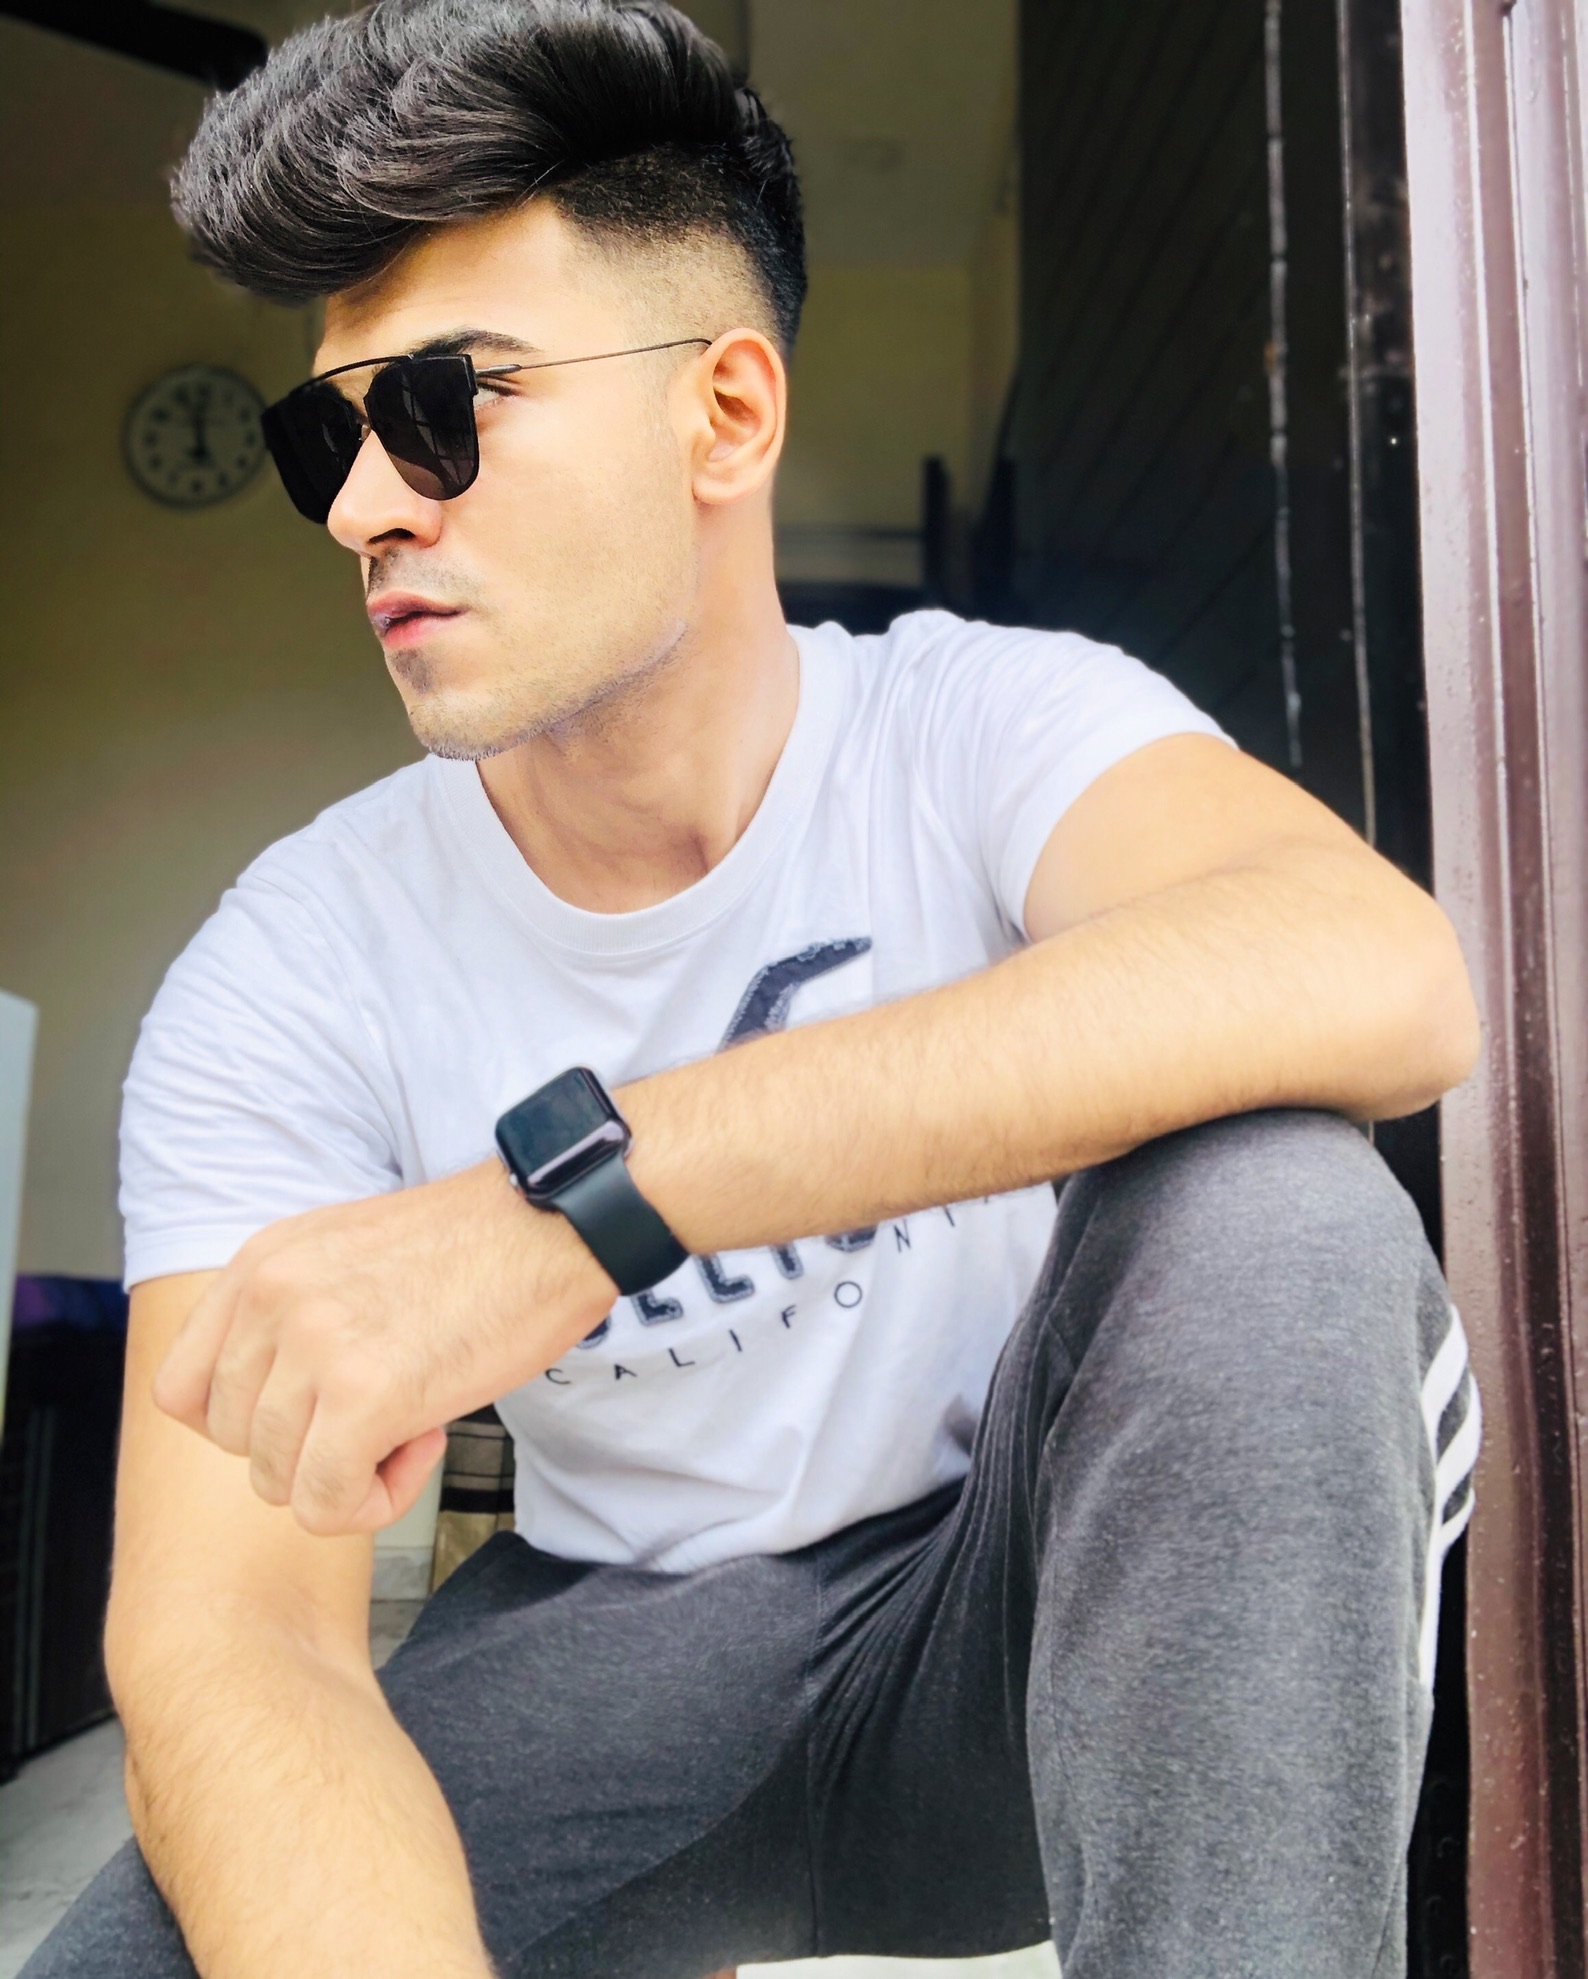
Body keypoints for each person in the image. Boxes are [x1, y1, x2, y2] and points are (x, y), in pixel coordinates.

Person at [28, 3, 1482, 1975]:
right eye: (327, 439)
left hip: (1028, 1609)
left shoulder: (983, 722)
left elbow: (1371, 965)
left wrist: (570, 1212)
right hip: (617, 1664)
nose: (367, 505)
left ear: (723, 413)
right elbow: (231, 1640)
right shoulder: (291, 963)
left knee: (1274, 1210)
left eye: (444, 406)